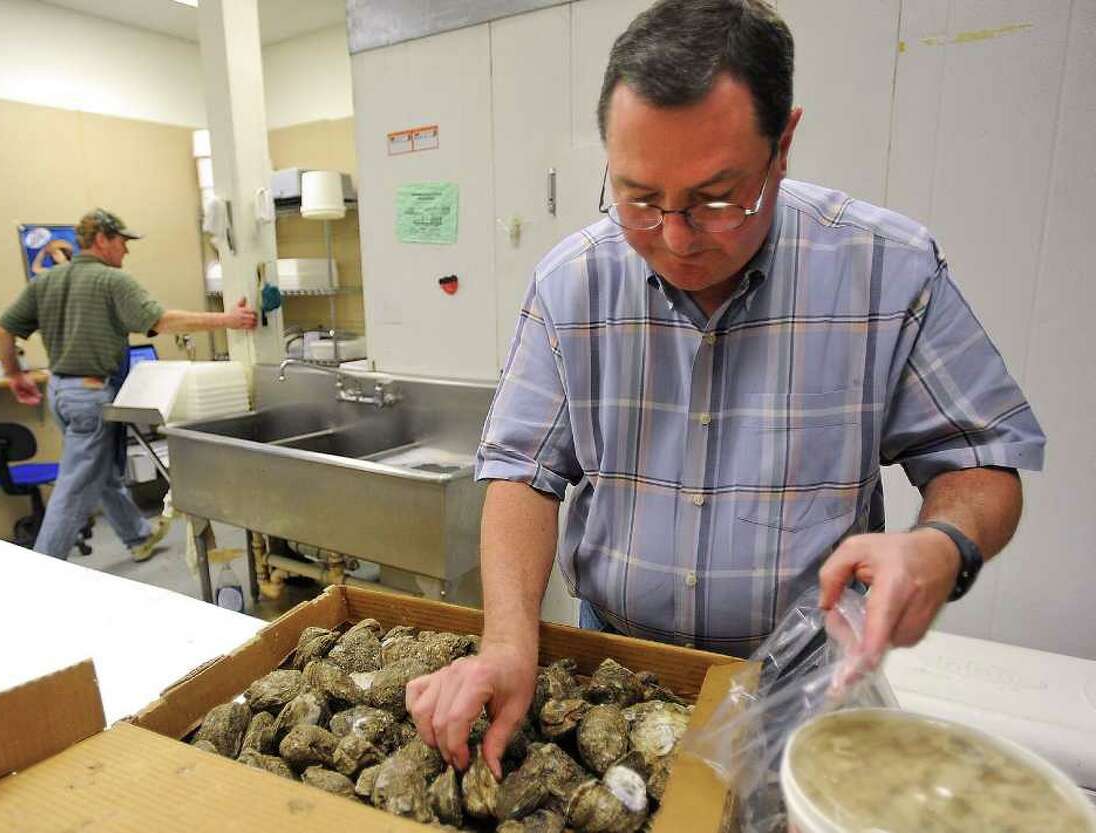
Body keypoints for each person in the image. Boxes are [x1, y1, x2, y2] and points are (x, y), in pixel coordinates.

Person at [406, 0, 1046, 778]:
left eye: (716, 198)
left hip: (804, 688)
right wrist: (509, 642)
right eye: (639, 198)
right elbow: (521, 472)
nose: (675, 237)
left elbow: (981, 456)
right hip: (613, 669)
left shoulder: (885, 269)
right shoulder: (573, 281)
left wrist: (941, 545)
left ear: (783, 146)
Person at [0, 208, 258, 562]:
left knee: (98, 473)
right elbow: (162, 321)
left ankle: (137, 537)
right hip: (89, 394)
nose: (127, 250)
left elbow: (3, 330)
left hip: (58, 392)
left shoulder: (47, 281)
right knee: (73, 490)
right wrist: (229, 320)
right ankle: (44, 567)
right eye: (122, 241)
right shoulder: (112, 281)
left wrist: (15, 375)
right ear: (102, 239)